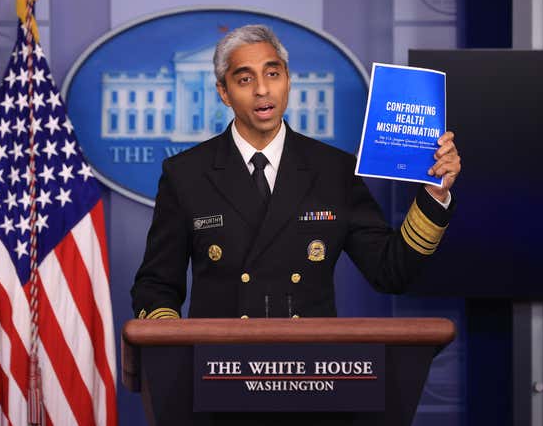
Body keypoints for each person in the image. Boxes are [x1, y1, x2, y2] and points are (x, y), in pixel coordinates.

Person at [130, 24, 461, 320]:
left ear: (288, 79)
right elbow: (156, 286)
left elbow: (390, 272)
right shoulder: (185, 173)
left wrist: (435, 194)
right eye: (245, 79)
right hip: (218, 367)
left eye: (272, 74)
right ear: (224, 93)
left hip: (311, 369)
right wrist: (172, 348)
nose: (262, 89)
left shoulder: (336, 170)